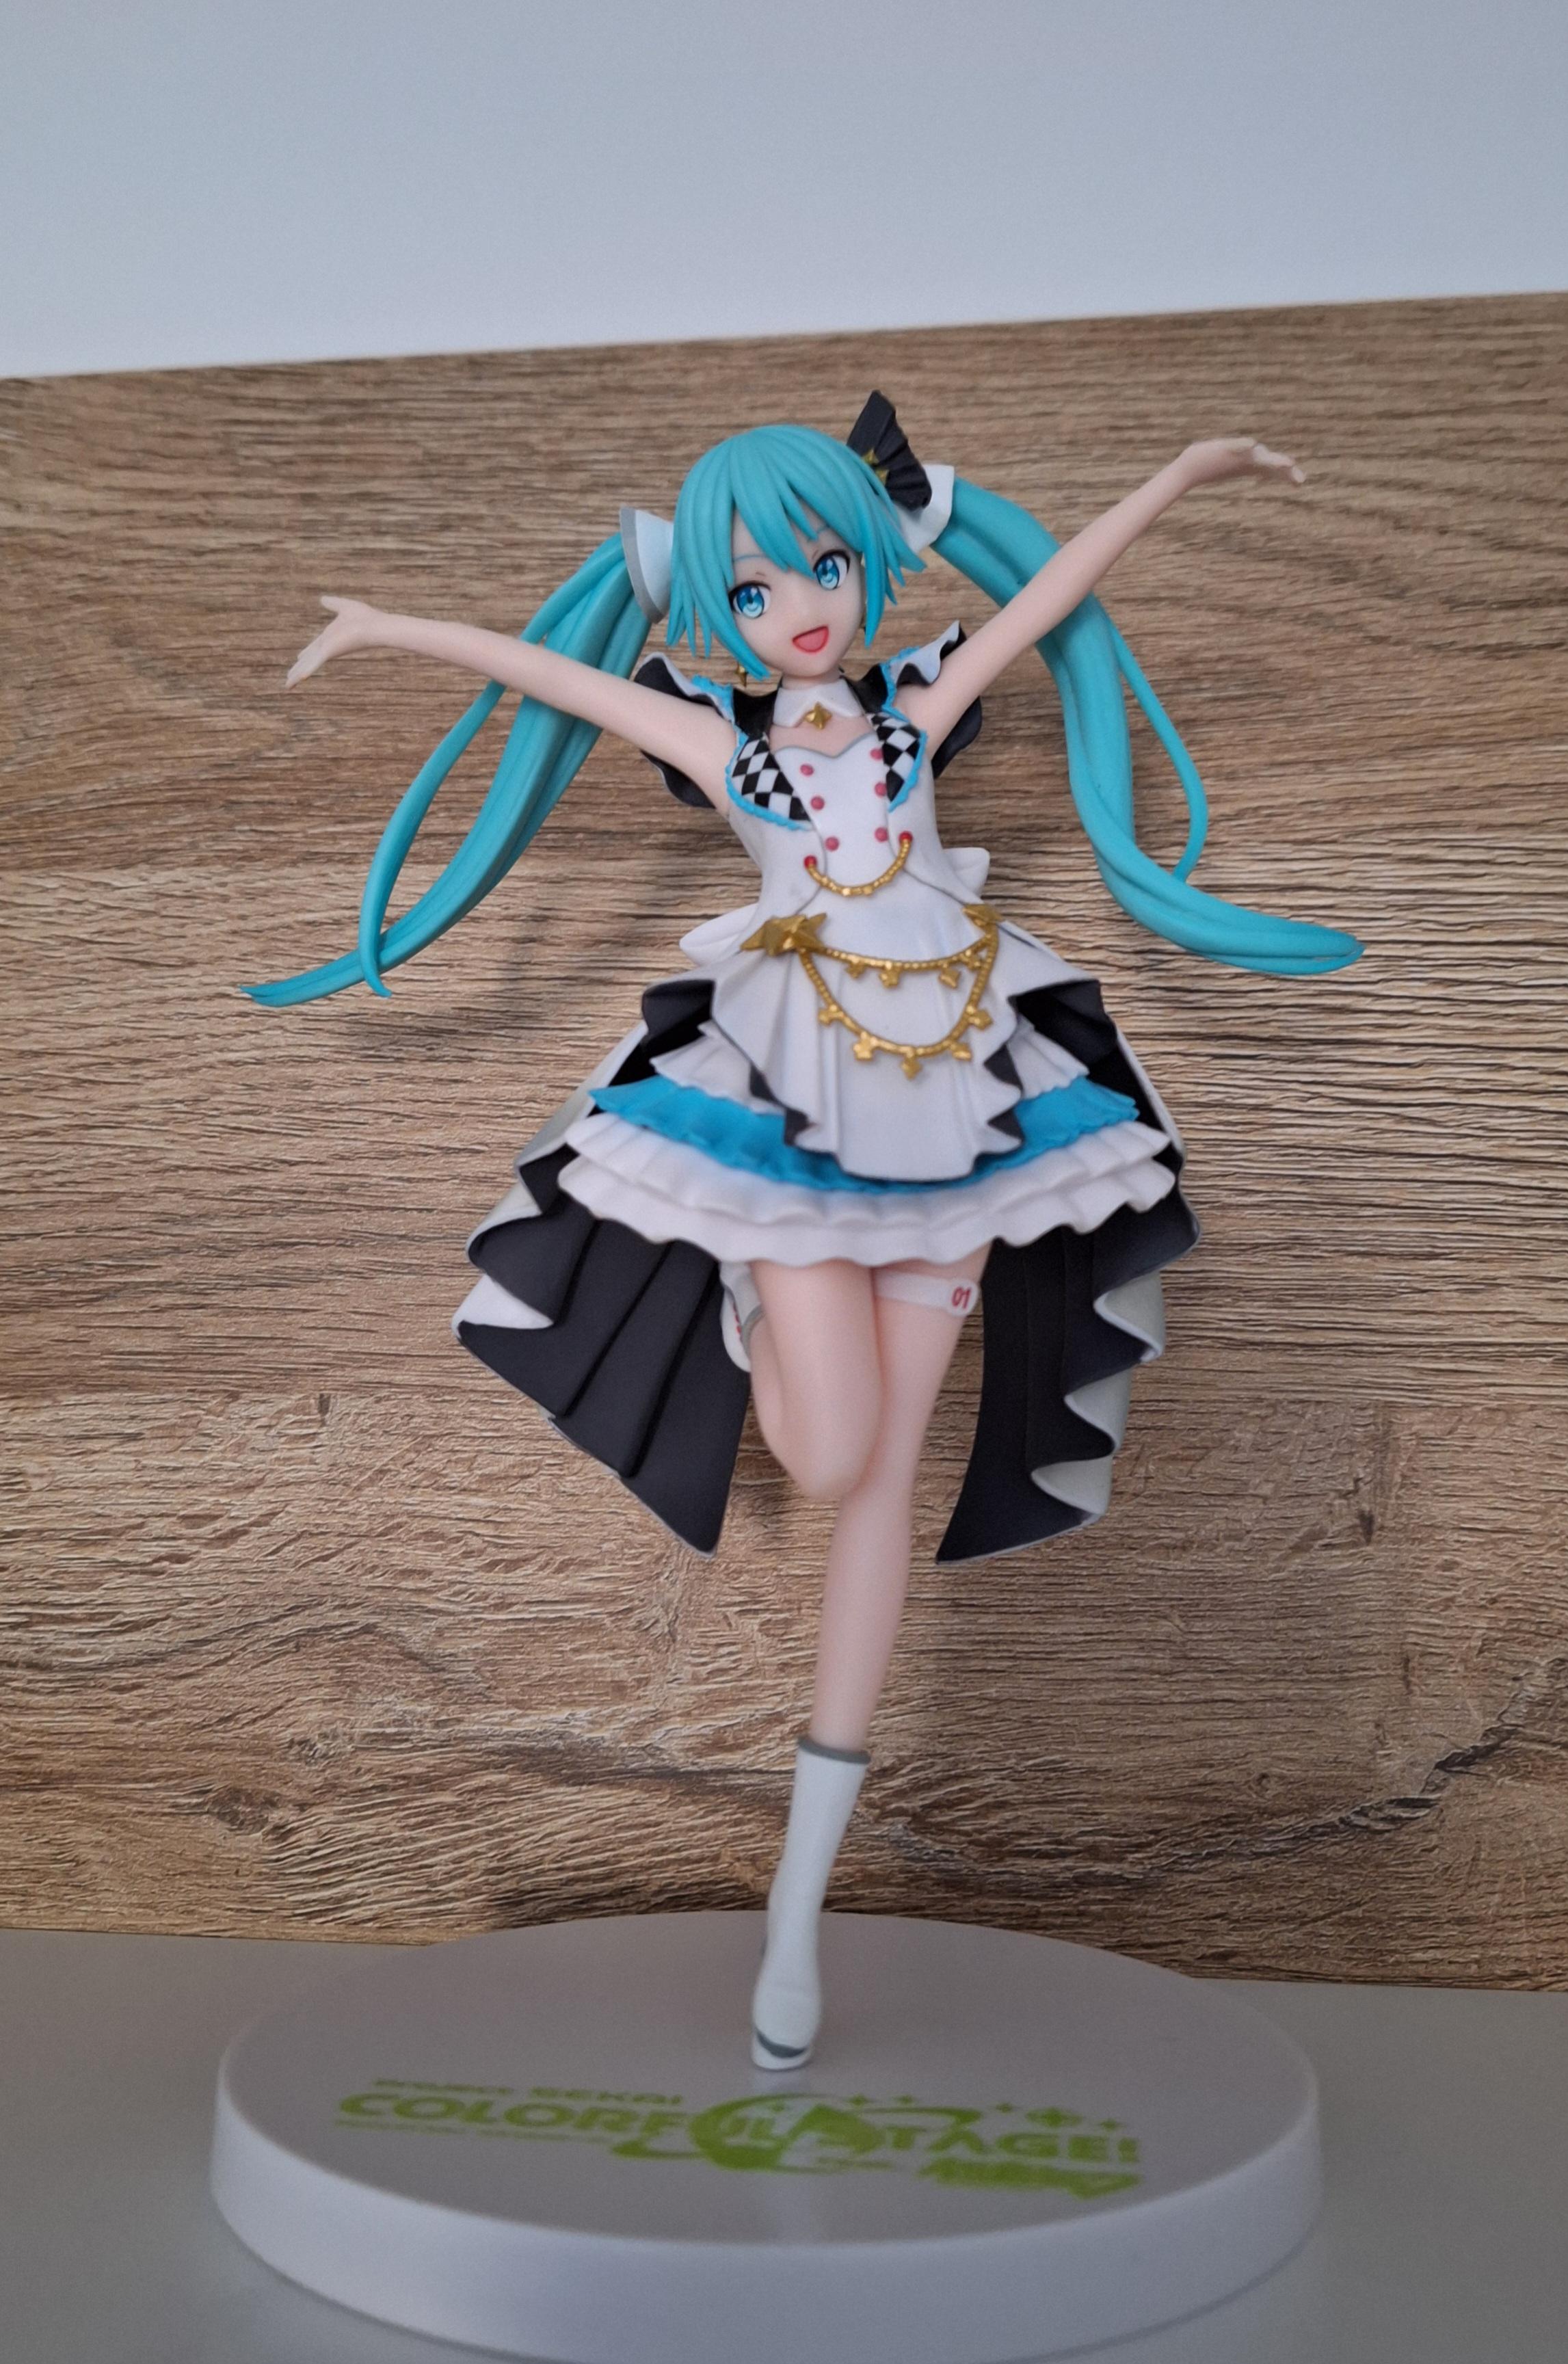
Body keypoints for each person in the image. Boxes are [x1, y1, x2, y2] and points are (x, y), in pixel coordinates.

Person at [259, 393, 1359, 2069]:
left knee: (882, 1478)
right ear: (715, 603)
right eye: (758, 589)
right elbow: (549, 678)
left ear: (869, 561)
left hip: (965, 1091)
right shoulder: (728, 742)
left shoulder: (920, 704)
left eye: (826, 567)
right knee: (829, 1449)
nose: (800, 609)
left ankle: (797, 1909)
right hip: (789, 1086)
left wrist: (1184, 473)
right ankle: (754, 1295)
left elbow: (1053, 593)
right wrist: (388, 625)